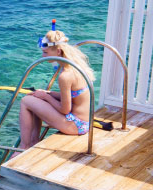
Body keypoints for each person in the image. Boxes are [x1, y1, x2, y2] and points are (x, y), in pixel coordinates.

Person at [16, 24, 96, 153]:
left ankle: (24, 147)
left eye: (45, 52)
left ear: (58, 52)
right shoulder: (74, 66)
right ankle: (33, 142)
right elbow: (74, 96)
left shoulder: (65, 75)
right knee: (35, 99)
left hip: (75, 125)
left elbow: (65, 109)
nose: (43, 56)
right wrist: (49, 94)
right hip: (83, 123)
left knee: (26, 101)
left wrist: (46, 97)